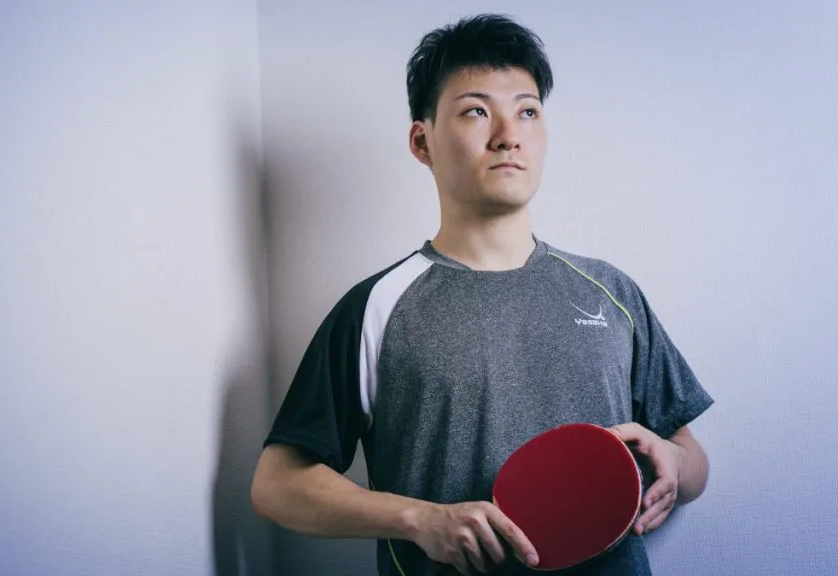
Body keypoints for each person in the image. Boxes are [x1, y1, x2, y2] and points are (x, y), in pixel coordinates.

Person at [250, 13, 714, 576]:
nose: (508, 135)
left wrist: (676, 464)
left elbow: (690, 458)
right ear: (422, 141)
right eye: (475, 111)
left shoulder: (612, 292)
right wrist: (418, 519)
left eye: (527, 111)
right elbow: (277, 483)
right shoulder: (376, 307)